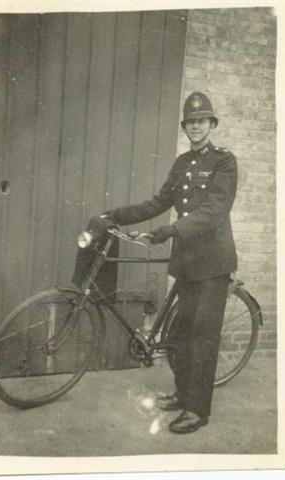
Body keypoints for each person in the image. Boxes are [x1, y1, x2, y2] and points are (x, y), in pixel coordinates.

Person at [92, 92, 238, 434]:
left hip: (213, 265)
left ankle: (198, 410)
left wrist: (170, 230)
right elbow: (157, 202)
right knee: (179, 336)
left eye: (202, 121)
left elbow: (214, 211)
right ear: (185, 127)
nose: (196, 127)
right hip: (187, 263)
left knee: (201, 339)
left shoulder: (224, 162)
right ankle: (184, 393)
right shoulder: (182, 164)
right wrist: (115, 215)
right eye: (190, 122)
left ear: (212, 124)